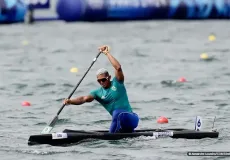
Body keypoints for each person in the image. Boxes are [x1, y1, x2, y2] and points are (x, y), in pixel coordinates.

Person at [63, 45, 139, 133]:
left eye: (103, 79)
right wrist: (70, 101)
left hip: (131, 118)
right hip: (120, 124)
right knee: (117, 115)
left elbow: (118, 67)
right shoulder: (98, 92)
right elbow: (83, 99)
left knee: (117, 113)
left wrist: (107, 53)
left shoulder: (117, 82)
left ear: (109, 77)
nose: (102, 82)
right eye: (99, 81)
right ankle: (118, 134)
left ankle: (110, 137)